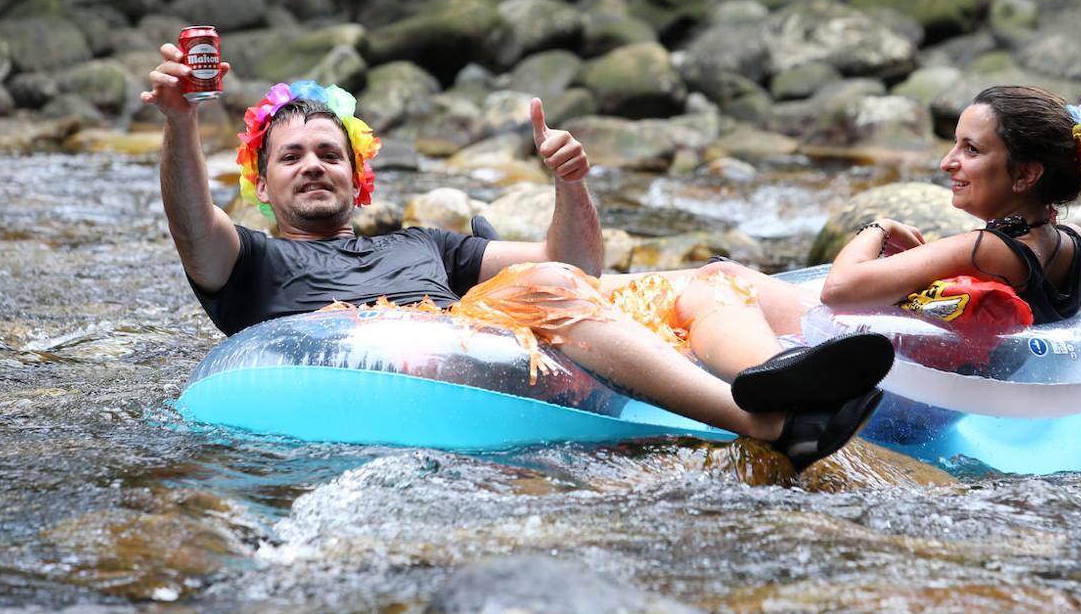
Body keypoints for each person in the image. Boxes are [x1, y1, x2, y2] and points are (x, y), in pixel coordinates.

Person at [142, 43, 893, 472]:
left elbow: (576, 264)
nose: (313, 165)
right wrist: (182, 122)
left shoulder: (422, 244)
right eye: (292, 157)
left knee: (713, 278)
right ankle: (764, 423)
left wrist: (570, 186)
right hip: (420, 363)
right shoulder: (252, 260)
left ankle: (790, 381)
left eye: (330, 155)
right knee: (538, 285)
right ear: (262, 182)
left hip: (506, 335)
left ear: (357, 176)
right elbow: (190, 222)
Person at [691, 85, 1081, 337]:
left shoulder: (983, 249)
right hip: (965, 374)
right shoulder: (1076, 244)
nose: (947, 162)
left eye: (971, 149)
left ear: (1024, 175)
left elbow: (839, 289)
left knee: (718, 279)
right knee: (725, 277)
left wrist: (879, 227)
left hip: (910, 383)